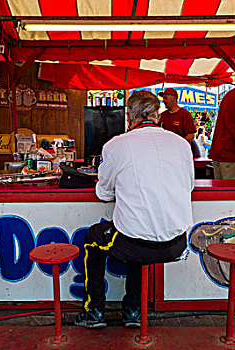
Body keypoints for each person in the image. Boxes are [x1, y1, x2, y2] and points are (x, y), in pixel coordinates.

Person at [75, 91, 194, 329]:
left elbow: (103, 193)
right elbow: (188, 186)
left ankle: (93, 311)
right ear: (157, 115)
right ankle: (132, 310)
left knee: (93, 238)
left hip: (132, 244)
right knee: (139, 234)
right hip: (177, 244)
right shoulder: (182, 144)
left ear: (129, 117)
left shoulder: (116, 145)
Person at [158, 88, 199, 157]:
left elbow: (191, 135)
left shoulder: (185, 114)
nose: (163, 100)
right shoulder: (162, 115)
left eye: (165, 98)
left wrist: (179, 143)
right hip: (165, 152)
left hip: (181, 153)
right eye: (163, 98)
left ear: (174, 98)